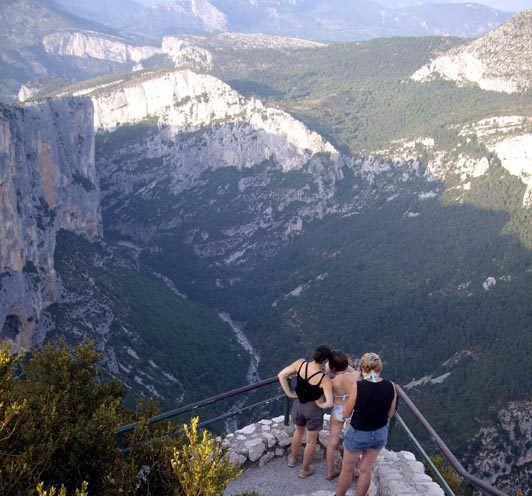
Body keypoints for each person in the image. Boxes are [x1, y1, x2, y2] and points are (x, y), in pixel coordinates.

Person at [335, 352, 397, 496]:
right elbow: (390, 414)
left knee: (347, 469)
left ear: (363, 368)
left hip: (358, 433)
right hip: (380, 433)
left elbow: (346, 413)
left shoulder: (358, 386)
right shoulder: (391, 386)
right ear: (379, 368)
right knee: (366, 469)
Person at [278, 345, 334, 479]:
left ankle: (292, 459)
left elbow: (281, 375)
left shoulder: (300, 363)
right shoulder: (323, 378)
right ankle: (304, 470)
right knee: (310, 441)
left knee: (298, 431)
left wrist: (289, 394)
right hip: (313, 409)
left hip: (298, 405)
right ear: (325, 360)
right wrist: (321, 404)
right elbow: (330, 403)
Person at [325, 350, 360, 481]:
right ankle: (347, 474)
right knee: (350, 443)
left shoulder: (332, 380)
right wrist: (346, 365)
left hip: (338, 408)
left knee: (331, 443)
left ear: (334, 366)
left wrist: (331, 365)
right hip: (351, 408)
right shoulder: (353, 376)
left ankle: (330, 472)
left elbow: (328, 370)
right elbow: (354, 371)